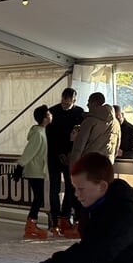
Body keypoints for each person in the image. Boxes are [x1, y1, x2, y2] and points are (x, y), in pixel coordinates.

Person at [46, 87, 84, 237]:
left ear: (74, 100)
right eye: (63, 100)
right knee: (54, 187)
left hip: (72, 156)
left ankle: (65, 216)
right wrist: (60, 153)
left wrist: (71, 154)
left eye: (68, 101)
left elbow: (80, 136)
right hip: (54, 156)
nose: (65, 103)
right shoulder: (53, 111)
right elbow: (50, 135)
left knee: (70, 187)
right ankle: (55, 218)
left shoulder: (79, 113)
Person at [17, 107, 51, 240]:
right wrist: (20, 165)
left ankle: (32, 223)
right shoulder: (38, 134)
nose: (51, 116)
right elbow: (30, 151)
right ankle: (31, 223)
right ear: (44, 118)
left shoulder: (42, 131)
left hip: (38, 170)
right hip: (34, 170)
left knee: (39, 198)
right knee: (38, 198)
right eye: (49, 114)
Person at [69, 91, 120, 171]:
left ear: (94, 103)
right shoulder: (116, 123)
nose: (87, 105)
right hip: (107, 164)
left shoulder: (89, 121)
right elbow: (117, 146)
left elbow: (79, 146)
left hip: (89, 163)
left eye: (89, 102)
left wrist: (73, 166)